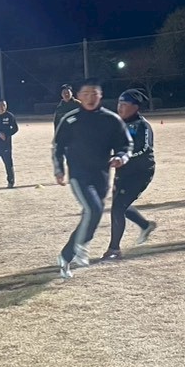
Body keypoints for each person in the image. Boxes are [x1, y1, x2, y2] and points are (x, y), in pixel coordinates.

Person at [52, 77, 131, 278]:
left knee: (92, 215)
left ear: (100, 95)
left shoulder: (111, 119)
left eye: (94, 93)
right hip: (79, 175)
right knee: (93, 209)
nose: (90, 98)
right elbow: (58, 146)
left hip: (102, 176)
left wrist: (121, 157)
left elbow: (125, 144)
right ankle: (81, 246)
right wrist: (59, 169)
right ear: (79, 96)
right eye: (86, 94)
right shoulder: (70, 119)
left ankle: (65, 256)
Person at [102, 88, 158, 260]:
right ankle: (145, 225)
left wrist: (123, 158)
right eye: (119, 103)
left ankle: (114, 249)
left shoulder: (142, 126)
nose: (120, 107)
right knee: (119, 205)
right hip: (122, 172)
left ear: (135, 107)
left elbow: (144, 148)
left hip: (141, 172)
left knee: (118, 207)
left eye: (124, 104)